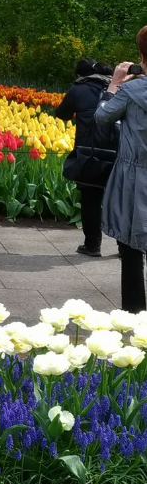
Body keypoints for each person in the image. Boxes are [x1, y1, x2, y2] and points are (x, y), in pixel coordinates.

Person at [95, 28, 147, 311]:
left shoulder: (130, 90)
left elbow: (101, 117)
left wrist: (115, 83)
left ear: (141, 55)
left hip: (134, 177)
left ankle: (135, 314)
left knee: (131, 245)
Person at [55, 58, 114, 257]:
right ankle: (126, 248)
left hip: (90, 152)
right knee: (120, 200)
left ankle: (92, 245)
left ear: (80, 75)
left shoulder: (78, 89)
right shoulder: (120, 88)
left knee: (90, 199)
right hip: (120, 152)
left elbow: (62, 114)